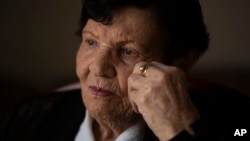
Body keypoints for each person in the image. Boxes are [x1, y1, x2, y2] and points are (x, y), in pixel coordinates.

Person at [2, 0, 250, 141]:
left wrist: (177, 132)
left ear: (179, 65)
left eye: (128, 51)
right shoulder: (31, 118)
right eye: (91, 41)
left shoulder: (235, 127)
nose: (98, 68)